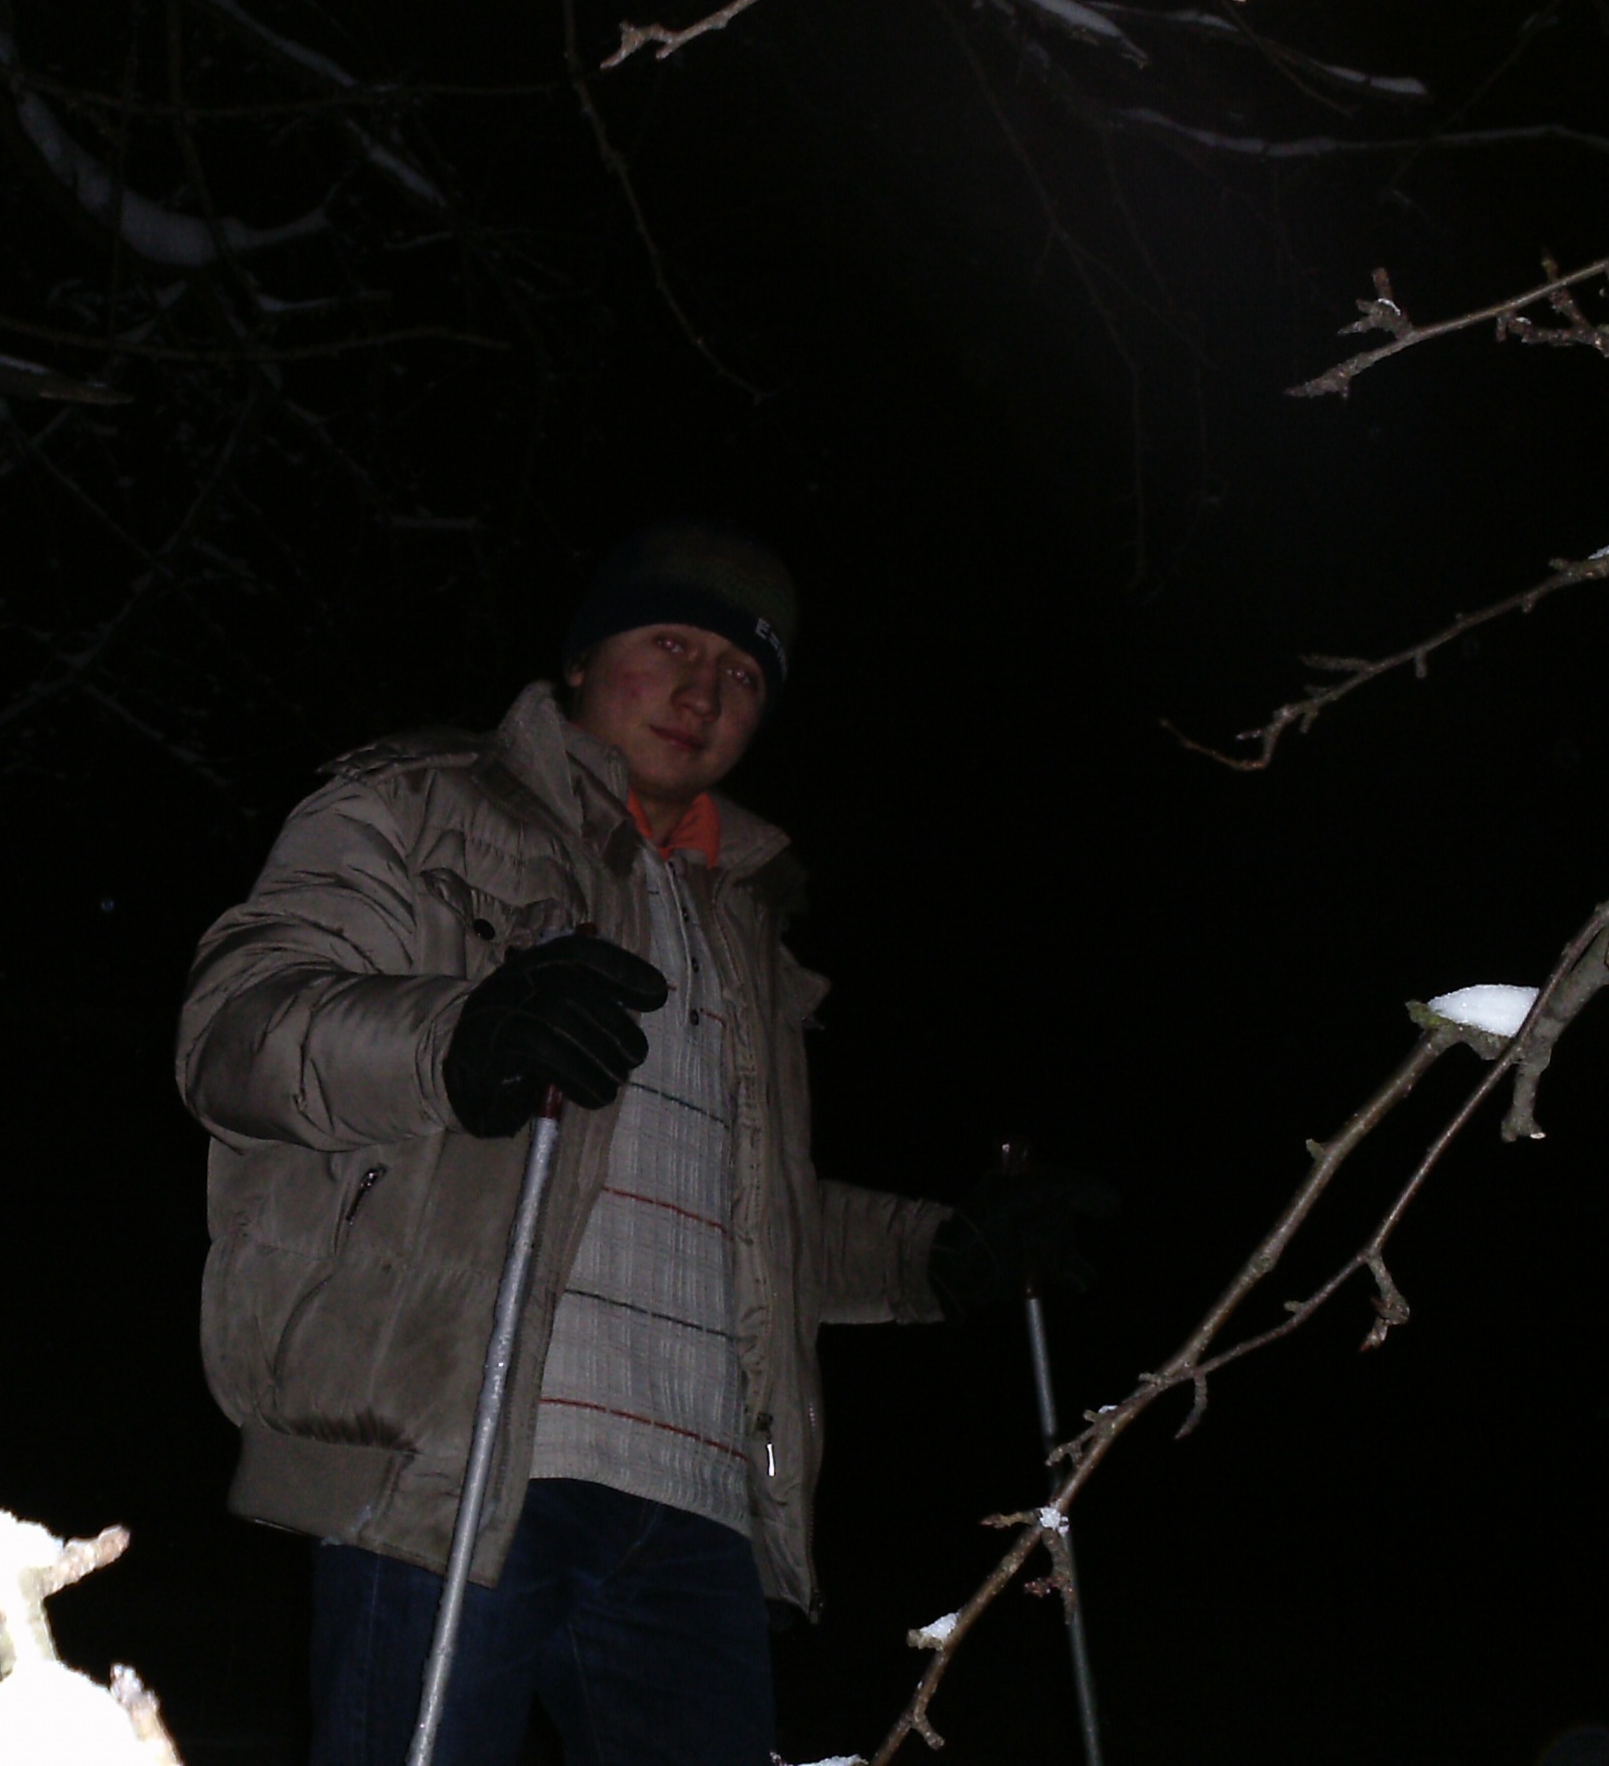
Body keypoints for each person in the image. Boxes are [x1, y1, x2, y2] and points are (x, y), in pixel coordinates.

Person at [175, 521, 1104, 1766]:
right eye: (671, 644)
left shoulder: (747, 922)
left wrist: (937, 1255)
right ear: (579, 658)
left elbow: (755, 1217)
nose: (702, 692)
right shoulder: (414, 800)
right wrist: (458, 1038)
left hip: (696, 1505)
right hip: (455, 1464)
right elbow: (235, 1032)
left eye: (742, 673)